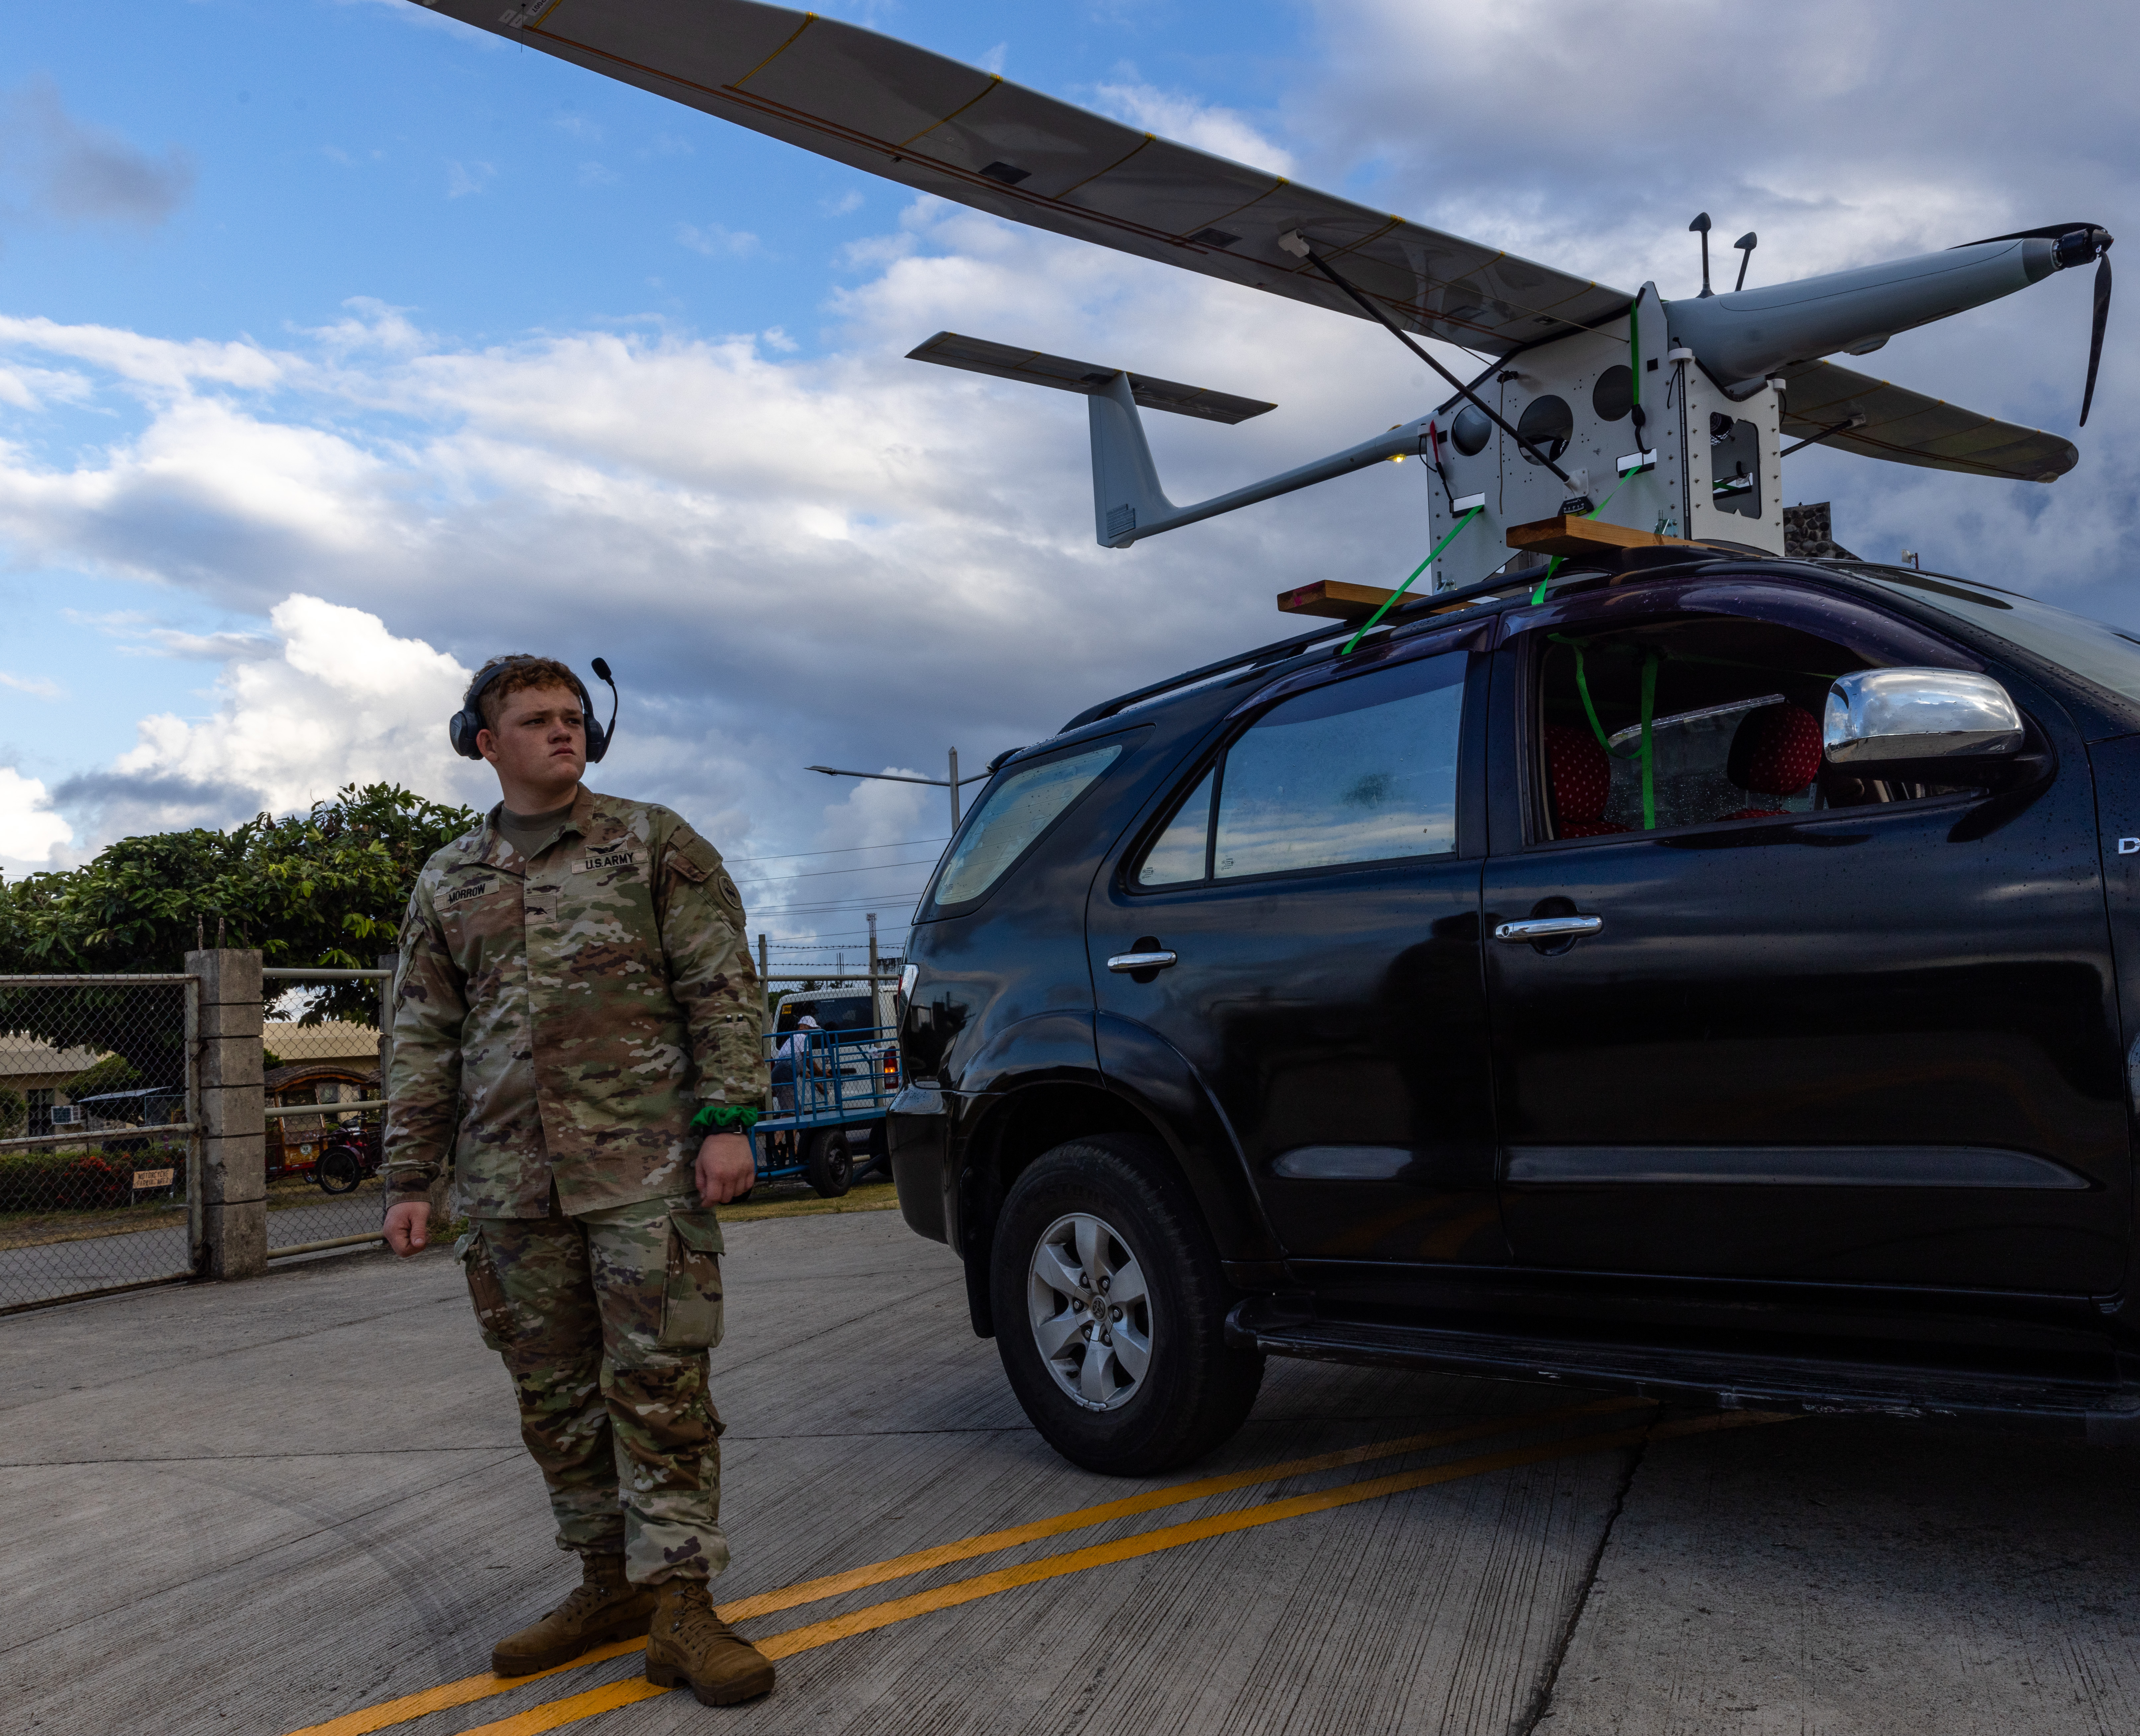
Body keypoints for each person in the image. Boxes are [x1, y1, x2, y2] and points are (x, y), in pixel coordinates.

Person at [379, 654, 774, 1707]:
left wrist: (729, 1119)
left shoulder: (651, 843)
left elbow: (723, 986)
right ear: (484, 742)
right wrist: (409, 1176)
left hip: (645, 1171)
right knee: (553, 1400)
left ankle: (683, 1603)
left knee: (662, 1391)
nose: (564, 733)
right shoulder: (448, 879)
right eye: (538, 720)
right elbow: (423, 1036)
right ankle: (607, 1583)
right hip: (508, 1187)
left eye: (575, 719)